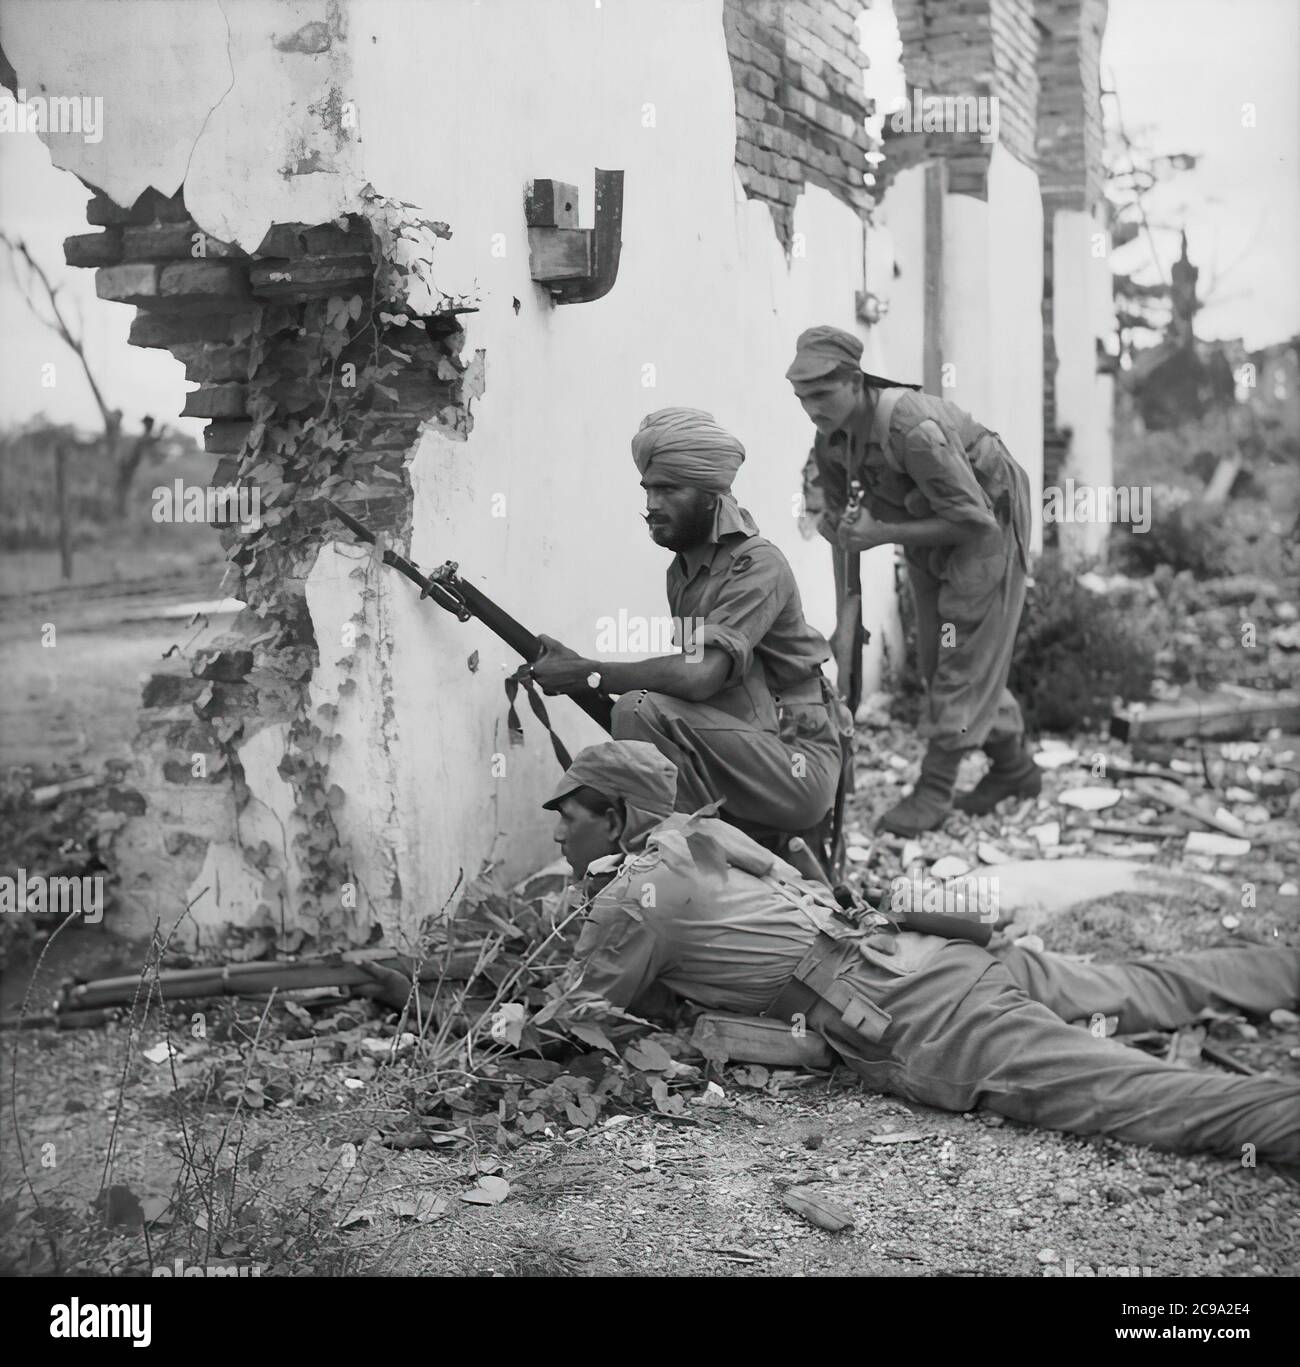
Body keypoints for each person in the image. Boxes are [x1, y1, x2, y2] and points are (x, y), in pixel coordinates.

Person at [546, 739, 1300, 1163]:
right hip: (928, 950)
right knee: (1140, 985)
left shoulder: (629, 899)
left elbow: (569, 1020)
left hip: (916, 1013)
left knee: (1127, 1091)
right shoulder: (705, 834)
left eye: (569, 817)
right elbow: (801, 881)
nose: (556, 834)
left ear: (615, 820)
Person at [531, 407, 852, 842]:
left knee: (637, 709)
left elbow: (699, 676)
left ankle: (674, 861)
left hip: (797, 760)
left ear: (709, 496)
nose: (651, 504)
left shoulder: (758, 564)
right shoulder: (683, 571)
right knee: (635, 727)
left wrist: (589, 673)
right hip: (749, 742)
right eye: (647, 489)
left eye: (667, 489)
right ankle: (681, 863)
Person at [787, 325, 1039, 836]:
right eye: (801, 397)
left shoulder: (913, 428)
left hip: (985, 522)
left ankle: (934, 792)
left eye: (821, 394)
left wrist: (881, 533)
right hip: (930, 526)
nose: (811, 408)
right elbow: (841, 531)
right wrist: (845, 623)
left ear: (855, 381)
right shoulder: (833, 439)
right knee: (936, 659)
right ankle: (1016, 771)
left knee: (964, 655)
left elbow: (977, 518)